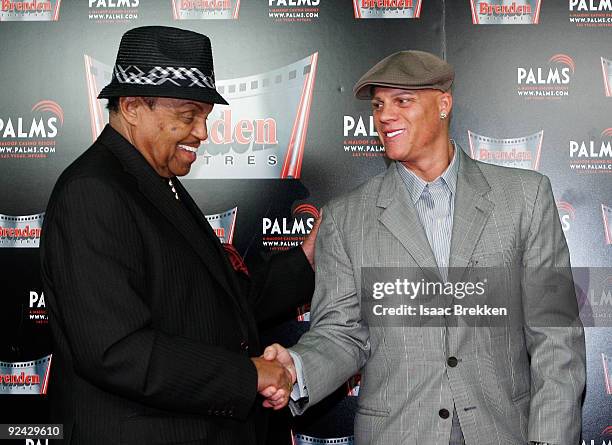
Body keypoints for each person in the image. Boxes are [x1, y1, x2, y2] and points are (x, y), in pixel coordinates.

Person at [263, 51, 586, 445]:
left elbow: (555, 335)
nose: (384, 115)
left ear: (444, 104)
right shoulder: (345, 218)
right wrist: (296, 367)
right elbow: (340, 334)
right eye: (379, 104)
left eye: (403, 101)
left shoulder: (525, 198)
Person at [40, 26, 317, 445]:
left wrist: (309, 257)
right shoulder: (93, 190)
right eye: (188, 116)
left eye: (205, 116)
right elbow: (116, 351)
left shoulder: (157, 180)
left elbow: (218, 305)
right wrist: (248, 374)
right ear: (132, 106)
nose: (202, 133)